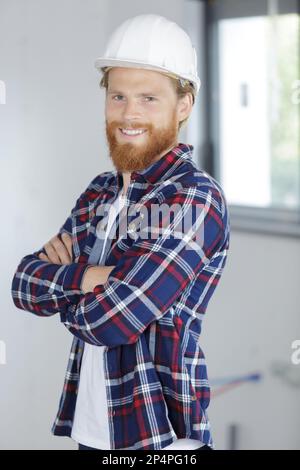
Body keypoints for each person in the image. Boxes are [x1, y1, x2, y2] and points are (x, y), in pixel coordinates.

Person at [11, 13, 230, 451]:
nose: (129, 113)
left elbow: (113, 320)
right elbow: (23, 285)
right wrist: (93, 279)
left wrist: (69, 289)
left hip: (161, 439)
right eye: (118, 96)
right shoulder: (100, 192)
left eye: (149, 98)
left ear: (183, 106)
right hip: (91, 430)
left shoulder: (193, 198)